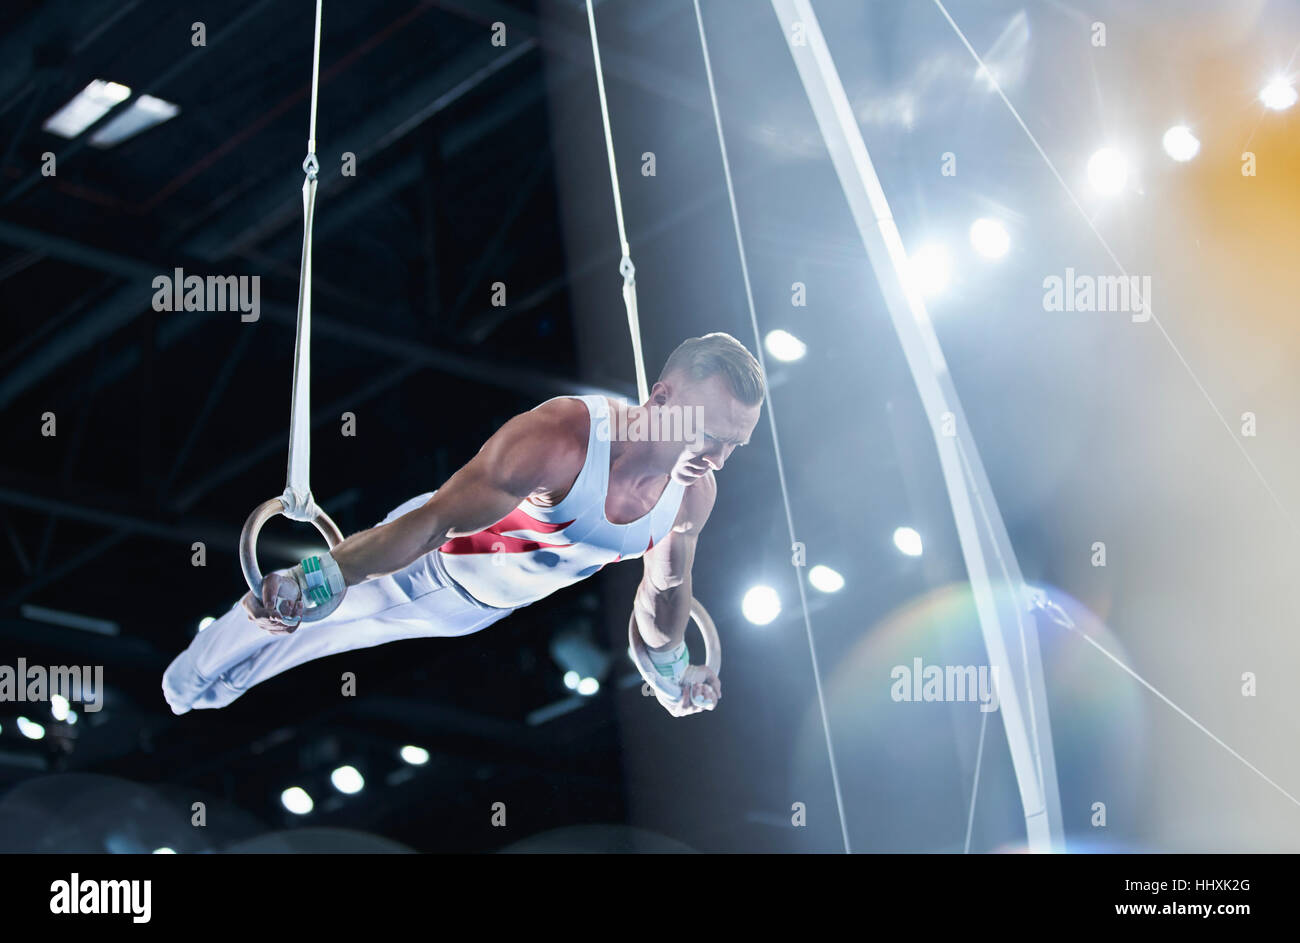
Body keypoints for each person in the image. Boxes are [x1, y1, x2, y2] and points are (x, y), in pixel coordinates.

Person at [162, 332, 763, 718]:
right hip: (423, 566)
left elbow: (661, 597)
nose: (714, 454)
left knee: (320, 635)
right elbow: (433, 524)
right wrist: (324, 573)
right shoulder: (563, 439)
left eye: (734, 442)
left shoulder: (692, 497)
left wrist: (671, 674)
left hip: (477, 611)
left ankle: (207, 681)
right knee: (304, 611)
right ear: (660, 399)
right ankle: (186, 681)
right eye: (706, 429)